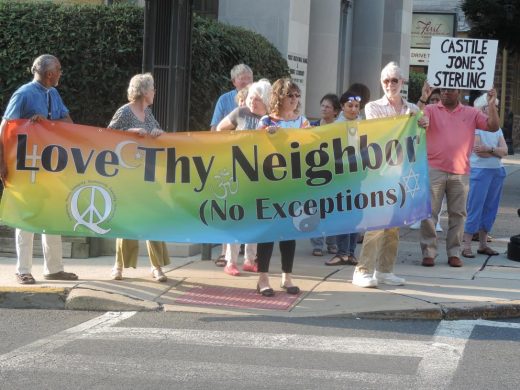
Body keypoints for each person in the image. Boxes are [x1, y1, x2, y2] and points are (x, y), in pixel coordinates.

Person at [0, 54, 78, 285]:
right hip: (24, 166)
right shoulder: (23, 94)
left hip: (48, 166)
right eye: (59, 69)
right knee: (26, 217)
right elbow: (5, 127)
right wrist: (2, 163)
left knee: (50, 214)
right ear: (49, 74)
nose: (61, 73)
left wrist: (47, 122)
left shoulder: (53, 93)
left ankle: (53, 269)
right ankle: (22, 269)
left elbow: (69, 124)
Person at [417, 83, 500, 267]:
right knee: (429, 214)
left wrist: (492, 104)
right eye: (444, 89)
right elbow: (414, 120)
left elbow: (493, 126)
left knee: (458, 214)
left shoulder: (471, 113)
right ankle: (428, 252)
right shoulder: (430, 108)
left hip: (460, 171)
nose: (446, 92)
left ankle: (454, 253)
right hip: (434, 168)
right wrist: (423, 99)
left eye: (451, 89)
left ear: (459, 92)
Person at [352, 62, 419, 288]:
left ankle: (384, 270)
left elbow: (421, 133)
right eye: (386, 81)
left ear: (402, 82)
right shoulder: (373, 107)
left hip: (402, 174)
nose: (390, 84)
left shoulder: (413, 110)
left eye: (394, 80)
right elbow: (380, 131)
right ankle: (362, 270)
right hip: (378, 174)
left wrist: (422, 123)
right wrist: (408, 120)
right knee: (375, 224)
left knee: (394, 225)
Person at [107, 73, 170, 282]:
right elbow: (107, 135)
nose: (154, 92)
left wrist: (157, 133)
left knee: (153, 219)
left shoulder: (148, 113)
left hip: (147, 174)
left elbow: (158, 132)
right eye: (152, 88)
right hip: (128, 175)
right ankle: (118, 265)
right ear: (144, 91)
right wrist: (130, 131)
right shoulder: (124, 111)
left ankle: (157, 267)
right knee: (127, 220)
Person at [255, 78, 309, 296]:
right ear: (279, 97)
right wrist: (266, 136)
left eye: (297, 96)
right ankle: (263, 278)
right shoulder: (266, 121)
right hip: (270, 183)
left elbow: (310, 147)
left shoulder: (302, 122)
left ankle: (287, 276)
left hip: (293, 183)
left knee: (289, 230)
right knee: (268, 230)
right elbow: (253, 148)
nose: (294, 100)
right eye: (290, 96)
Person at [216, 79, 273, 275]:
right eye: (250, 98)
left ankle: (250, 259)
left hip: (260, 176)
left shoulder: (270, 119)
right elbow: (219, 129)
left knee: (255, 218)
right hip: (238, 174)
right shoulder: (239, 113)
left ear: (266, 101)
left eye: (257, 99)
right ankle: (230, 261)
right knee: (236, 216)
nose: (252, 102)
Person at [461, 94, 507, 258]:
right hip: (480, 172)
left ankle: (482, 244)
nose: (494, 110)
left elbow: (505, 151)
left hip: (497, 172)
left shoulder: (497, 128)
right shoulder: (476, 127)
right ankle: (466, 245)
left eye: (495, 107)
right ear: (482, 109)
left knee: (490, 208)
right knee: (475, 207)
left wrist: (491, 150)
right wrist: (495, 151)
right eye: (491, 107)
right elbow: (480, 152)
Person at [325, 91, 362, 267]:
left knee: (355, 214)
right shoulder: (336, 125)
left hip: (358, 175)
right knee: (342, 213)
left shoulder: (364, 124)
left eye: (356, 106)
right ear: (342, 107)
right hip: (340, 176)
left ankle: (351, 252)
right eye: (350, 106)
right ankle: (342, 252)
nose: (353, 109)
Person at [309, 93, 340, 256]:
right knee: (315, 208)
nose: (324, 108)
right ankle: (317, 244)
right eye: (322, 105)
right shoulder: (311, 126)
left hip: (334, 173)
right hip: (315, 172)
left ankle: (332, 242)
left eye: (328, 106)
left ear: (335, 111)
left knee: (332, 208)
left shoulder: (340, 128)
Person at [410, 88, 443, 232]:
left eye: (438, 100)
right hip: (422, 155)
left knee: (437, 192)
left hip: (439, 159)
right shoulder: (426, 111)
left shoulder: (445, 115)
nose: (435, 102)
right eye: (432, 100)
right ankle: (418, 217)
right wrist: (424, 97)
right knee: (420, 189)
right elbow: (414, 114)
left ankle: (437, 220)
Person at [210, 64, 253, 131]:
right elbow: (214, 127)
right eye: (242, 78)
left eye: (249, 78)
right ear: (233, 82)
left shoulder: (258, 98)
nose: (246, 82)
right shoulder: (224, 99)